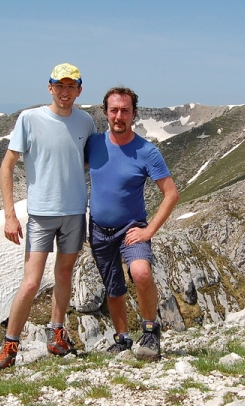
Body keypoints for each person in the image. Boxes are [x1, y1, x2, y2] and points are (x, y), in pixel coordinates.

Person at [0, 63, 96, 370]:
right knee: (32, 281)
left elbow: (86, 161)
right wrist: (10, 216)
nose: (65, 92)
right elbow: (6, 166)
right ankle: (10, 346)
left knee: (64, 275)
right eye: (59, 86)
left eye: (71, 86)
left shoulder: (86, 121)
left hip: (75, 211)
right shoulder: (29, 119)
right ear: (50, 88)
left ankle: (56, 335)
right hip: (41, 214)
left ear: (79, 90)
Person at [85, 86, 179, 361]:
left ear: (134, 114)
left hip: (131, 228)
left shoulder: (147, 151)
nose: (119, 116)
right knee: (113, 287)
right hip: (99, 230)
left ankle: (150, 330)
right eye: (114, 110)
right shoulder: (94, 144)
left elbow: (171, 194)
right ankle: (122, 339)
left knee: (141, 273)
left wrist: (149, 230)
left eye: (125, 110)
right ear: (105, 113)